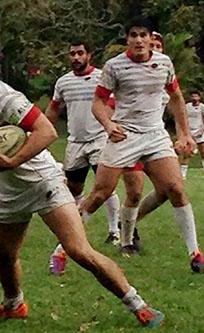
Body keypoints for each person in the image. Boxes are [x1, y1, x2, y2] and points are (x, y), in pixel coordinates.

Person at [0, 32, 164, 327]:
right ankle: (14, 304)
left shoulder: (6, 98)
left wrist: (13, 160)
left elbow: (46, 131)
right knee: (3, 255)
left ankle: (139, 305)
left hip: (43, 182)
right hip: (8, 192)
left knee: (79, 250)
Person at [79, 17, 204, 273]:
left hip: (155, 134)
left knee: (175, 189)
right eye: (133, 35)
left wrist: (184, 134)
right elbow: (98, 103)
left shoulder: (164, 63)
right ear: (128, 39)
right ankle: (62, 248)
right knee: (101, 193)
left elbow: (176, 97)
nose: (138, 39)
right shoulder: (115, 66)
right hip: (125, 135)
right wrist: (108, 125)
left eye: (143, 35)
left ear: (151, 38)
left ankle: (195, 253)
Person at [45, 41, 121, 275]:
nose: (76, 57)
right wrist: (41, 133)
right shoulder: (64, 82)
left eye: (80, 53)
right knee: (74, 189)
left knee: (104, 187)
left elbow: (113, 104)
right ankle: (75, 230)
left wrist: (111, 126)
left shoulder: (102, 78)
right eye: (72, 54)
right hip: (75, 142)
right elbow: (53, 109)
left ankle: (114, 231)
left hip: (99, 139)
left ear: (89, 55)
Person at [118, 31, 168, 254]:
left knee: (167, 189)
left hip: (155, 141)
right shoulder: (127, 75)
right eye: (152, 45)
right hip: (130, 141)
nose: (154, 49)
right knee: (135, 192)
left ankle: (128, 221)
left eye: (158, 46)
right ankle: (126, 243)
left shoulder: (165, 75)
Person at [180, 90, 204, 178]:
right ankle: (183, 174)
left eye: (196, 96)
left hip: (199, 132)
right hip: (189, 132)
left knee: (203, 152)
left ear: (199, 98)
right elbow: (183, 118)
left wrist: (202, 130)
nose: (194, 98)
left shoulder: (202, 107)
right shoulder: (187, 106)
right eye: (192, 96)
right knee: (187, 153)